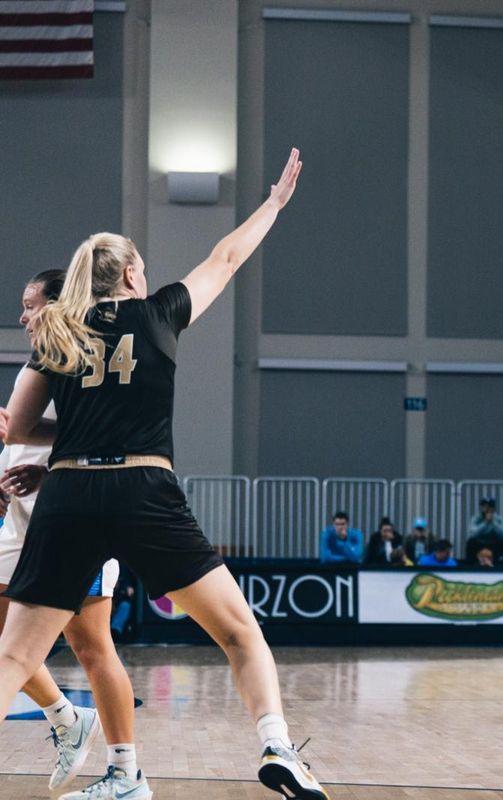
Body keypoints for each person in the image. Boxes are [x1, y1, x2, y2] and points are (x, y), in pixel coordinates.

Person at [0, 149, 326, 799]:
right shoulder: (159, 313)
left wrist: (70, 451)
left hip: (67, 492)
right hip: (144, 487)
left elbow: (17, 430)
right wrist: (273, 204)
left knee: (13, 656)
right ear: (130, 274)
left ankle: (122, 772)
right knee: (238, 632)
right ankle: (277, 746)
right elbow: (226, 258)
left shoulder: (56, 334)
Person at [0, 270, 141, 797]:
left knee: (90, 644)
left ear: (62, 306)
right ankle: (65, 717)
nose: (22, 316)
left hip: (76, 511)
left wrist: (50, 469)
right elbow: (20, 438)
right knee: (5, 641)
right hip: (19, 518)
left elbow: (112, 440)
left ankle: (126, 769)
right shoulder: (38, 361)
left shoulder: (92, 364)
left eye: (30, 305)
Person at [466, 497, 503, 564]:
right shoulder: (475, 518)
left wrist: (493, 522)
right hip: (480, 543)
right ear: (481, 507)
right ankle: (470, 567)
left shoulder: (499, 519)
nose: (487, 508)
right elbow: (473, 534)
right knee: (470, 543)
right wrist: (485, 523)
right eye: (485, 506)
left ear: (493, 508)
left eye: (490, 506)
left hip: (495, 543)